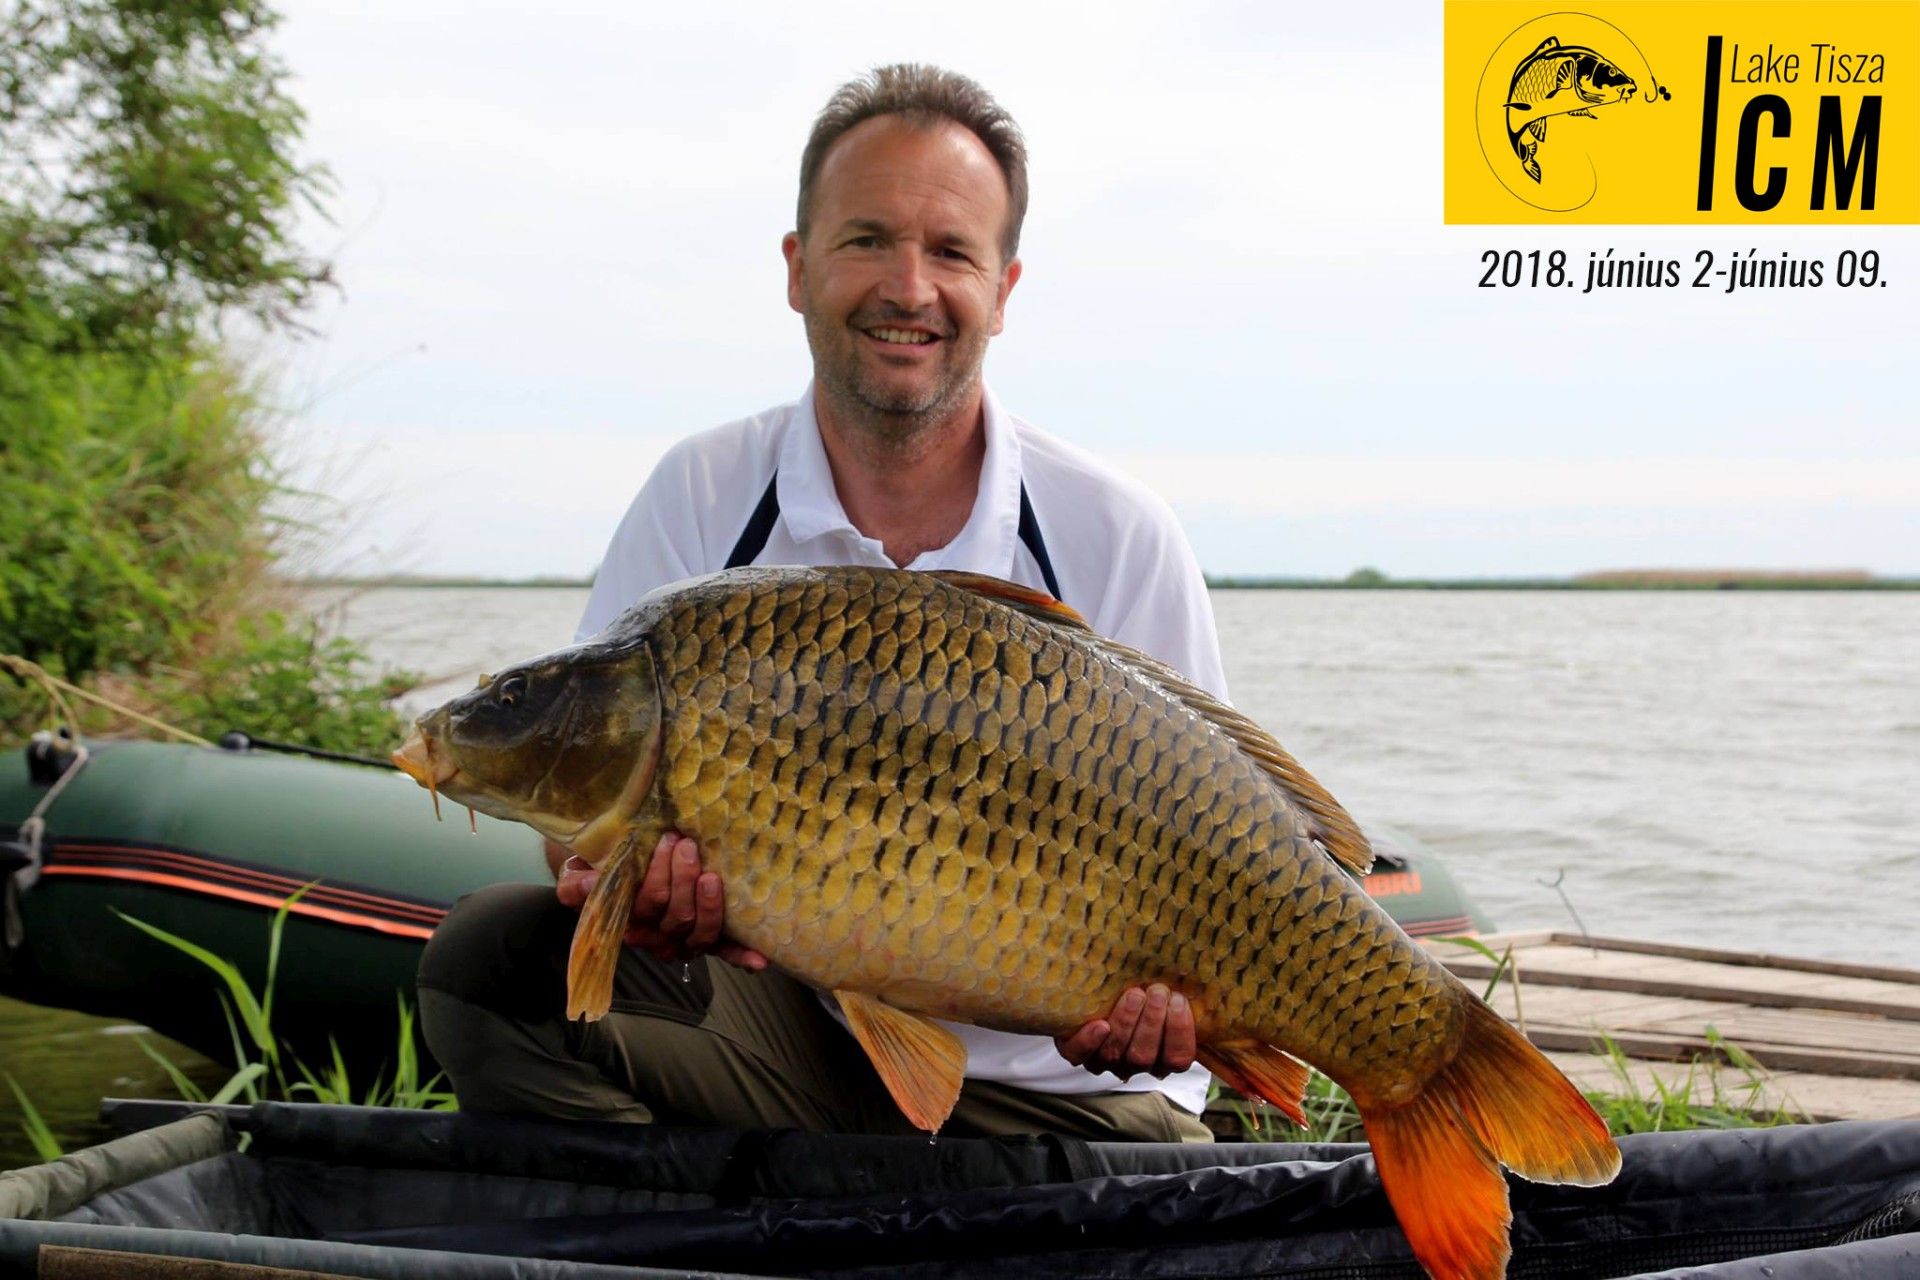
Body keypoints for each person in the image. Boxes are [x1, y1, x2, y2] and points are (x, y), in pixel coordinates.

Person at [417, 64, 1226, 1144]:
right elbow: (578, 850)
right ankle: (726, 1237)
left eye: (950, 251)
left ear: (1004, 288)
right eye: (865, 240)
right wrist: (630, 887)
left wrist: (1164, 1015)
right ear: (797, 270)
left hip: (1072, 1095)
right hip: (795, 1050)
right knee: (490, 961)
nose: (907, 285)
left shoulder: (1118, 532)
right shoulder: (702, 492)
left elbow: (1219, 846)